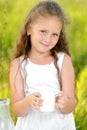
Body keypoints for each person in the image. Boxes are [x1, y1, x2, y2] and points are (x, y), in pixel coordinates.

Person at [9, 1, 76, 130]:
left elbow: (71, 103)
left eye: (54, 34)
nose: (48, 39)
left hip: (59, 125)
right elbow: (17, 110)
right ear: (29, 29)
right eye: (43, 31)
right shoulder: (18, 65)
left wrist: (65, 103)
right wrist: (28, 101)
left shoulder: (63, 61)